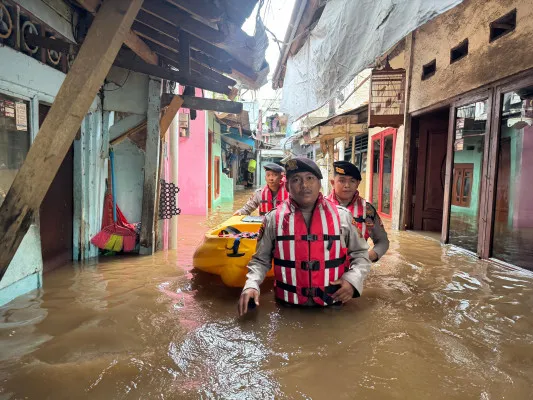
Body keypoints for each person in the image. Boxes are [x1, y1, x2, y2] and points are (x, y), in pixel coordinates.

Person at [238, 157, 371, 316]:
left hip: (333, 305)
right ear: (287, 186)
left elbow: (361, 255)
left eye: (310, 178)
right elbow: (260, 260)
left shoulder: (342, 217)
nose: (304, 185)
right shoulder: (273, 219)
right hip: (287, 307)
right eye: (296, 179)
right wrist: (251, 285)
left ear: (320, 184)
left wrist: (352, 280)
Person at [325, 160, 389, 262]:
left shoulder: (367, 210)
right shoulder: (321, 207)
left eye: (352, 181)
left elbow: (382, 241)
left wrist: (369, 257)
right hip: (328, 270)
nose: (347, 185)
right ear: (333, 183)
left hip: (357, 269)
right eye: (341, 180)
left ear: (358, 184)